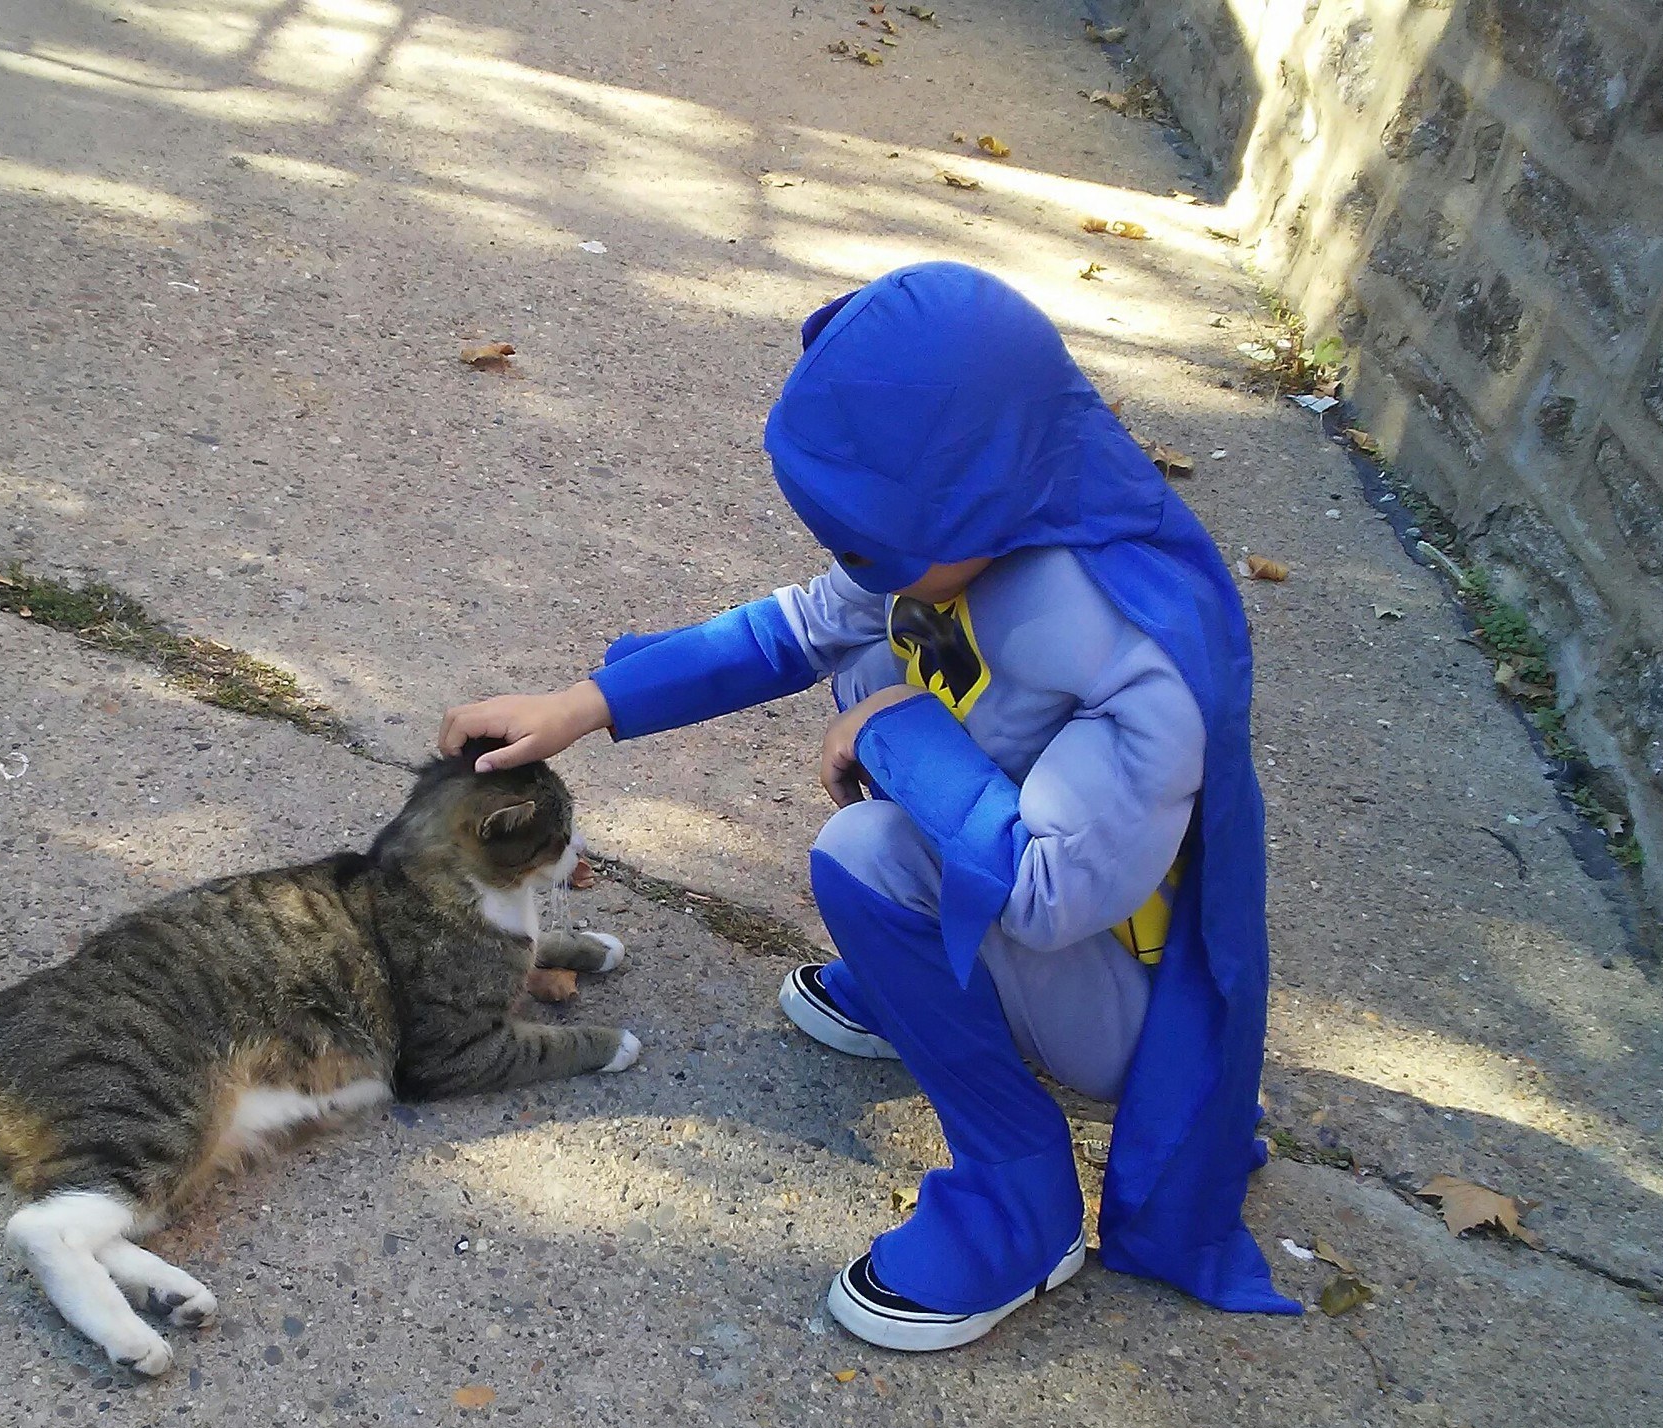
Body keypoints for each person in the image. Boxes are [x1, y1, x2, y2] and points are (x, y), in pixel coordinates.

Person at [439, 262, 1298, 1351]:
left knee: (865, 851)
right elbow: (794, 628)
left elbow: (1045, 894)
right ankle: (921, 990)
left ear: (963, 494)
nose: (850, 564)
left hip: (1118, 994)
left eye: (867, 544)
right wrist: (583, 704)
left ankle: (1018, 1200)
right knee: (861, 672)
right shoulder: (977, 508)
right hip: (1025, 864)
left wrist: (896, 732)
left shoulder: (1132, 646)